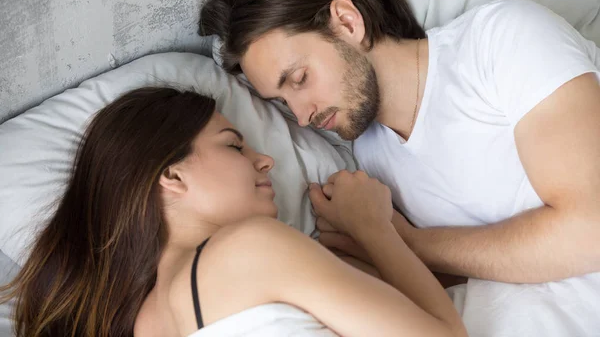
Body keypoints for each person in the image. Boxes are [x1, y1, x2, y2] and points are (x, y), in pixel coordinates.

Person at [199, 0, 600, 284]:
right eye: (283, 102)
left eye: (300, 79)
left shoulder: (503, 40)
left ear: (347, 21)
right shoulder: (372, 167)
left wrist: (410, 244)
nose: (302, 116)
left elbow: (590, 229)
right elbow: (469, 273)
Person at [0, 87, 466, 337]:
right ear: (173, 176)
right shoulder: (250, 250)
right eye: (233, 146)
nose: (265, 160)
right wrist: (376, 228)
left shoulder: (144, 322)